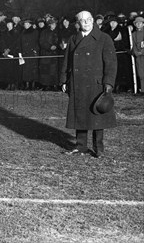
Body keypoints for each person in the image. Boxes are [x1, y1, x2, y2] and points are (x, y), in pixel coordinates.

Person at [60, 11, 117, 158]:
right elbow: (67, 61)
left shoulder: (104, 38)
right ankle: (80, 146)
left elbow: (111, 64)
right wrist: (64, 80)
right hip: (77, 82)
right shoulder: (73, 39)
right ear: (78, 23)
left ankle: (99, 148)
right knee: (80, 114)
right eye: (81, 21)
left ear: (92, 21)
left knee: (97, 115)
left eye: (87, 20)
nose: (84, 23)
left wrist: (108, 82)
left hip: (96, 84)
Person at [38, 18, 61, 91]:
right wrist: (49, 47)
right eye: (52, 24)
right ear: (49, 25)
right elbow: (42, 42)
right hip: (46, 53)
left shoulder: (58, 32)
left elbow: (60, 41)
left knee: (54, 71)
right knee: (46, 70)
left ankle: (54, 85)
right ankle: (46, 85)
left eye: (54, 24)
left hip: (55, 54)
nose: (53, 25)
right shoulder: (44, 32)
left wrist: (57, 46)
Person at [0, 19, 20, 90]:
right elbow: (2, 42)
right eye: (7, 24)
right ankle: (7, 84)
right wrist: (4, 49)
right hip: (5, 54)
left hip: (13, 53)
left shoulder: (16, 33)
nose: (8, 25)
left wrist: (9, 49)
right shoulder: (4, 33)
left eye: (10, 24)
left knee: (13, 70)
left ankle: (13, 84)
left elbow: (15, 43)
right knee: (6, 70)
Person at [18, 18, 39, 90]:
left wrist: (35, 50)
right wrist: (20, 52)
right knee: (26, 69)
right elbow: (20, 43)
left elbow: (37, 42)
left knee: (33, 69)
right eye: (25, 24)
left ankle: (32, 85)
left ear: (30, 24)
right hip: (25, 53)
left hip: (32, 52)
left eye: (27, 24)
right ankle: (27, 84)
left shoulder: (35, 32)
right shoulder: (23, 32)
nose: (26, 25)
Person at [130, 16, 144, 93]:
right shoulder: (133, 34)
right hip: (138, 56)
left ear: (143, 24)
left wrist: (142, 52)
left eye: (140, 23)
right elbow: (133, 45)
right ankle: (142, 89)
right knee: (140, 73)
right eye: (137, 23)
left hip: (143, 54)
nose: (138, 24)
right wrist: (136, 52)